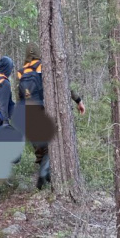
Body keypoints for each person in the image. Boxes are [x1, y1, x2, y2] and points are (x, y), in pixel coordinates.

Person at [15, 42, 85, 189]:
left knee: (39, 148)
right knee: (49, 145)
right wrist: (78, 100)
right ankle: (44, 175)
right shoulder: (44, 66)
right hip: (43, 109)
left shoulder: (20, 72)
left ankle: (45, 179)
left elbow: (19, 97)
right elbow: (63, 84)